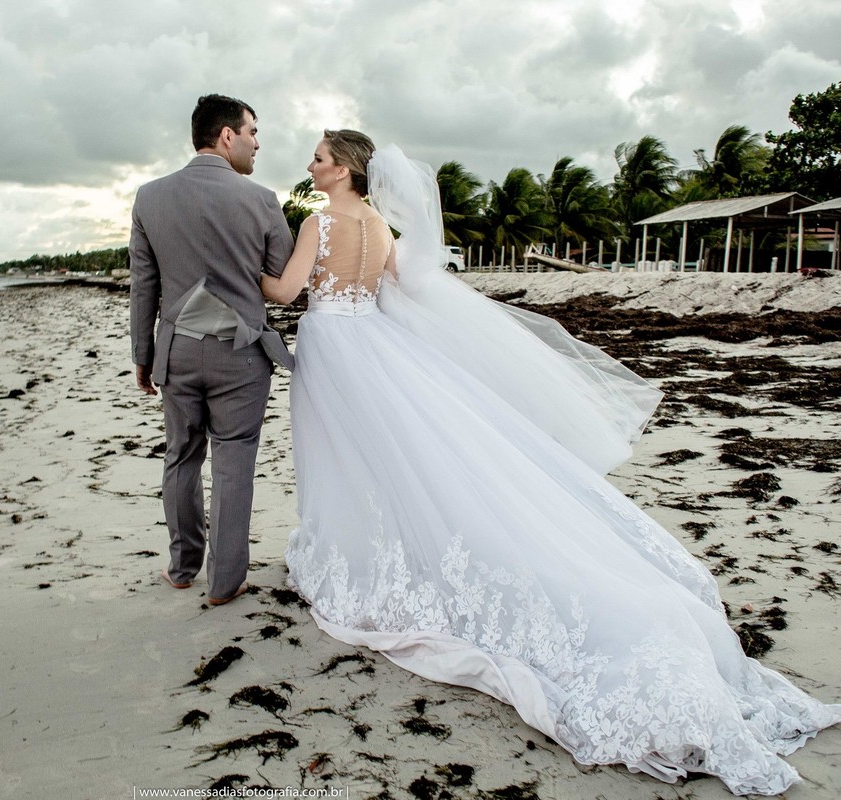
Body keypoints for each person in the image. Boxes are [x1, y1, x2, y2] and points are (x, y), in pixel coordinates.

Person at [261, 130, 841, 796]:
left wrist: (245, 269)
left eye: (321, 159)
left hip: (334, 343)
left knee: (347, 459)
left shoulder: (320, 221)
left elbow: (285, 292)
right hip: (371, 340)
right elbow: (409, 287)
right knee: (390, 459)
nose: (311, 166)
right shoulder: (382, 227)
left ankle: (358, 555)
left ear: (347, 170)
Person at [129, 94, 295, 606]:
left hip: (177, 351)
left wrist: (143, 355)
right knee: (234, 461)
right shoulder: (263, 200)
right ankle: (225, 583)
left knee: (180, 457)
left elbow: (144, 286)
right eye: (252, 132)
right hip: (240, 353)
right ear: (227, 135)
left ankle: (182, 568)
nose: (256, 142)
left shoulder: (149, 197)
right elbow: (282, 278)